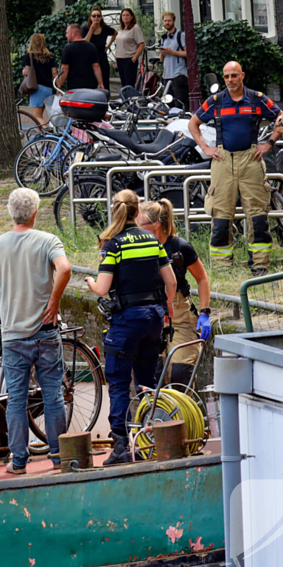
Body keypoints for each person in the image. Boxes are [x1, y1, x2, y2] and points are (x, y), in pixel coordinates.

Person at [0, 188, 71, 475]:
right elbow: (65, 269)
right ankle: (58, 457)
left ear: (11, 212)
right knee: (53, 395)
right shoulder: (48, 241)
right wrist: (54, 301)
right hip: (45, 330)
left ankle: (19, 461)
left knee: (17, 400)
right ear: (35, 213)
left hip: (14, 334)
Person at [84, 190, 176, 466]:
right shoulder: (152, 239)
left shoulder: (112, 244)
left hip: (126, 322)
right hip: (153, 320)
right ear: (137, 212)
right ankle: (151, 440)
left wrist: (89, 281)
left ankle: (122, 445)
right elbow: (170, 282)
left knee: (120, 384)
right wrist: (165, 308)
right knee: (147, 383)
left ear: (117, 212)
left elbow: (102, 289)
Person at [188, 61, 281, 275]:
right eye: (226, 76)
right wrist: (205, 147)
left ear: (242, 76)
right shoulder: (216, 101)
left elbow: (282, 118)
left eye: (234, 75)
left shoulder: (257, 99)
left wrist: (270, 143)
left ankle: (260, 266)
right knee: (220, 217)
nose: (230, 80)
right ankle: (222, 269)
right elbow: (193, 124)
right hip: (223, 161)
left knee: (258, 217)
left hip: (251, 161)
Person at [136, 199, 212, 386]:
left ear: (156, 225)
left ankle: (183, 413)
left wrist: (205, 312)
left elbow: (202, 278)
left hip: (179, 315)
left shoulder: (180, 247)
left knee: (180, 374)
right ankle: (156, 415)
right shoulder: (137, 247)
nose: (136, 228)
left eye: (140, 224)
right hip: (151, 314)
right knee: (153, 376)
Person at [20, 33, 58, 126]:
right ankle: (42, 138)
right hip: (48, 89)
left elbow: (27, 72)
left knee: (37, 117)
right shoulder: (50, 56)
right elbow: (54, 73)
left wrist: (23, 71)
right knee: (41, 115)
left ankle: (46, 135)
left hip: (37, 88)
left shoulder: (29, 56)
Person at [57, 24, 104, 92]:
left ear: (73, 33)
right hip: (90, 86)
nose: (66, 35)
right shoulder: (91, 46)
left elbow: (64, 69)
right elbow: (96, 66)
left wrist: (59, 86)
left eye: (67, 33)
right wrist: (100, 83)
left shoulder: (68, 48)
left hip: (74, 87)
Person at [158, 12, 188, 110]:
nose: (167, 23)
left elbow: (188, 53)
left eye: (169, 21)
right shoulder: (163, 38)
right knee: (168, 105)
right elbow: (162, 59)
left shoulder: (180, 35)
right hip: (166, 75)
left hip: (178, 74)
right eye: (165, 21)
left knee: (180, 104)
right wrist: (162, 52)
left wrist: (172, 52)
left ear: (174, 21)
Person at [81, 8, 116, 91]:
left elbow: (115, 33)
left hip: (101, 57)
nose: (96, 18)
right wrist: (91, 30)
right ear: (90, 17)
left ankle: (105, 100)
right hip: (89, 58)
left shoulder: (105, 28)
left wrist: (108, 46)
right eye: (94, 16)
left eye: (98, 16)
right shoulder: (85, 28)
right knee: (92, 81)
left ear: (101, 18)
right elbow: (85, 42)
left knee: (104, 80)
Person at [113, 8, 145, 89]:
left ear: (131, 17)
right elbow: (119, 45)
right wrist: (116, 60)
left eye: (127, 15)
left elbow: (141, 44)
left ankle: (131, 100)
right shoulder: (121, 29)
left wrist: (134, 58)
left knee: (129, 84)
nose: (125, 17)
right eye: (123, 15)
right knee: (124, 84)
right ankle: (126, 101)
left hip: (129, 59)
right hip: (120, 59)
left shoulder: (135, 28)